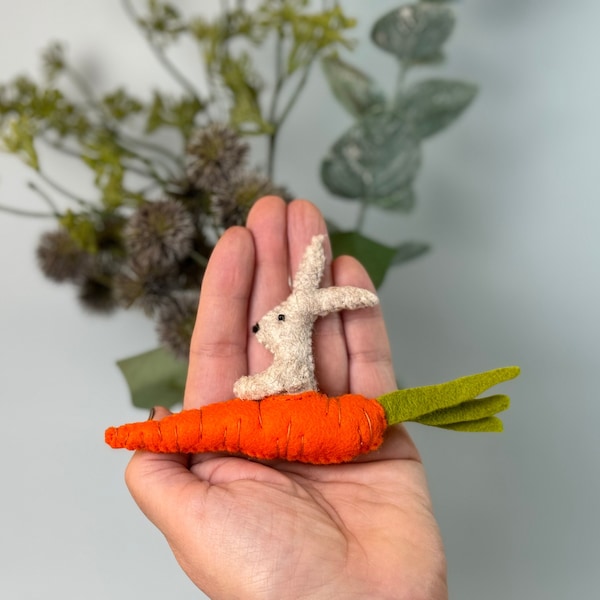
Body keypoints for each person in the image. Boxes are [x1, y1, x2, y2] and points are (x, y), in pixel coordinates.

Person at [125, 196, 448, 599]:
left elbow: (253, 385)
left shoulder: (288, 372)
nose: (265, 328)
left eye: (277, 319)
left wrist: (251, 389)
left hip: (311, 414)